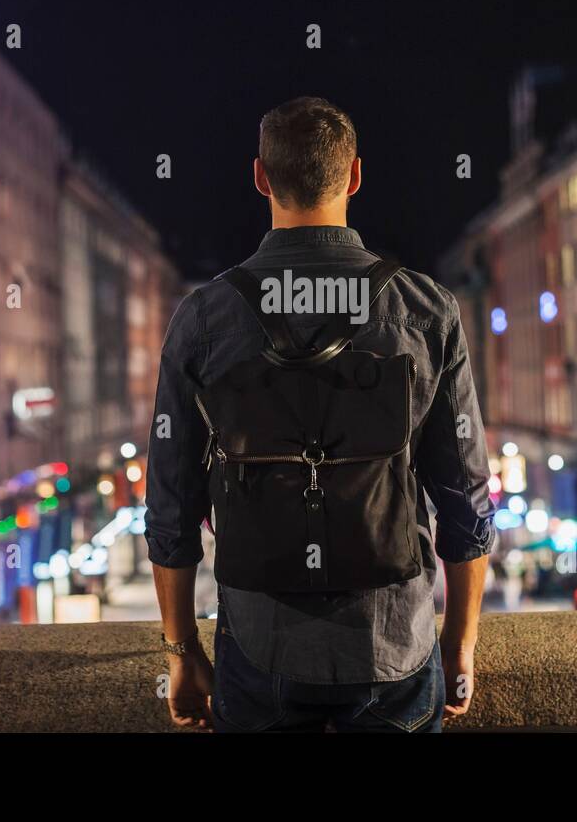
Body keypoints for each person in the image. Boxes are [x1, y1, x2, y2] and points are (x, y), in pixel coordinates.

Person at [145, 96, 494, 732]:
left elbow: (171, 506)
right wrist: (460, 642)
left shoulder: (204, 318)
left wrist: (181, 652)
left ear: (260, 177)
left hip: (257, 647)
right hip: (396, 645)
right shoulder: (426, 309)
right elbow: (466, 500)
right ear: (355, 176)